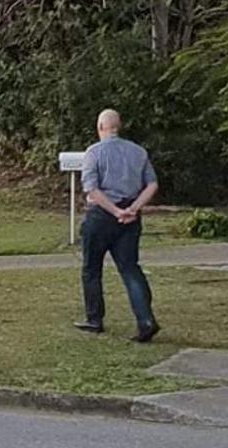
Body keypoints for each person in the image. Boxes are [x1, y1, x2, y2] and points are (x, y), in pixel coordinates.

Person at [76, 109, 161, 343]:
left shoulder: (93, 153)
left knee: (91, 268)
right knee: (129, 267)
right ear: (118, 127)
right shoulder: (138, 152)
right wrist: (133, 208)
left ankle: (94, 318)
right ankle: (145, 319)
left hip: (101, 215)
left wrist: (115, 211)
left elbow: (91, 188)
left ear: (100, 127)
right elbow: (152, 184)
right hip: (130, 217)